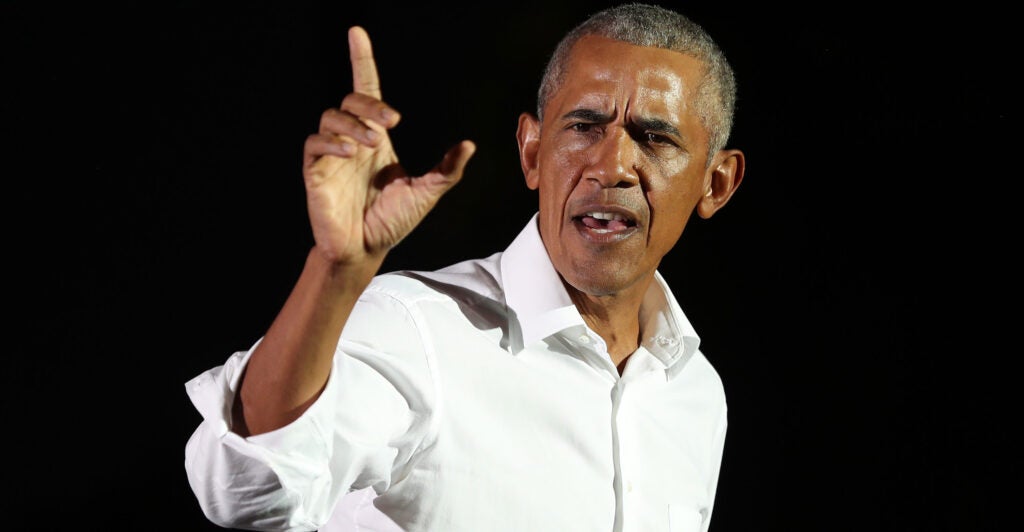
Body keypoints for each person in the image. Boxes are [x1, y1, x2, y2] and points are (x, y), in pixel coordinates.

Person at [184, 3, 746, 531]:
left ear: (716, 183)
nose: (612, 165)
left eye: (654, 138)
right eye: (583, 127)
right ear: (532, 152)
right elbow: (246, 488)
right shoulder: (414, 328)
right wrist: (335, 271)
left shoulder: (695, 393)